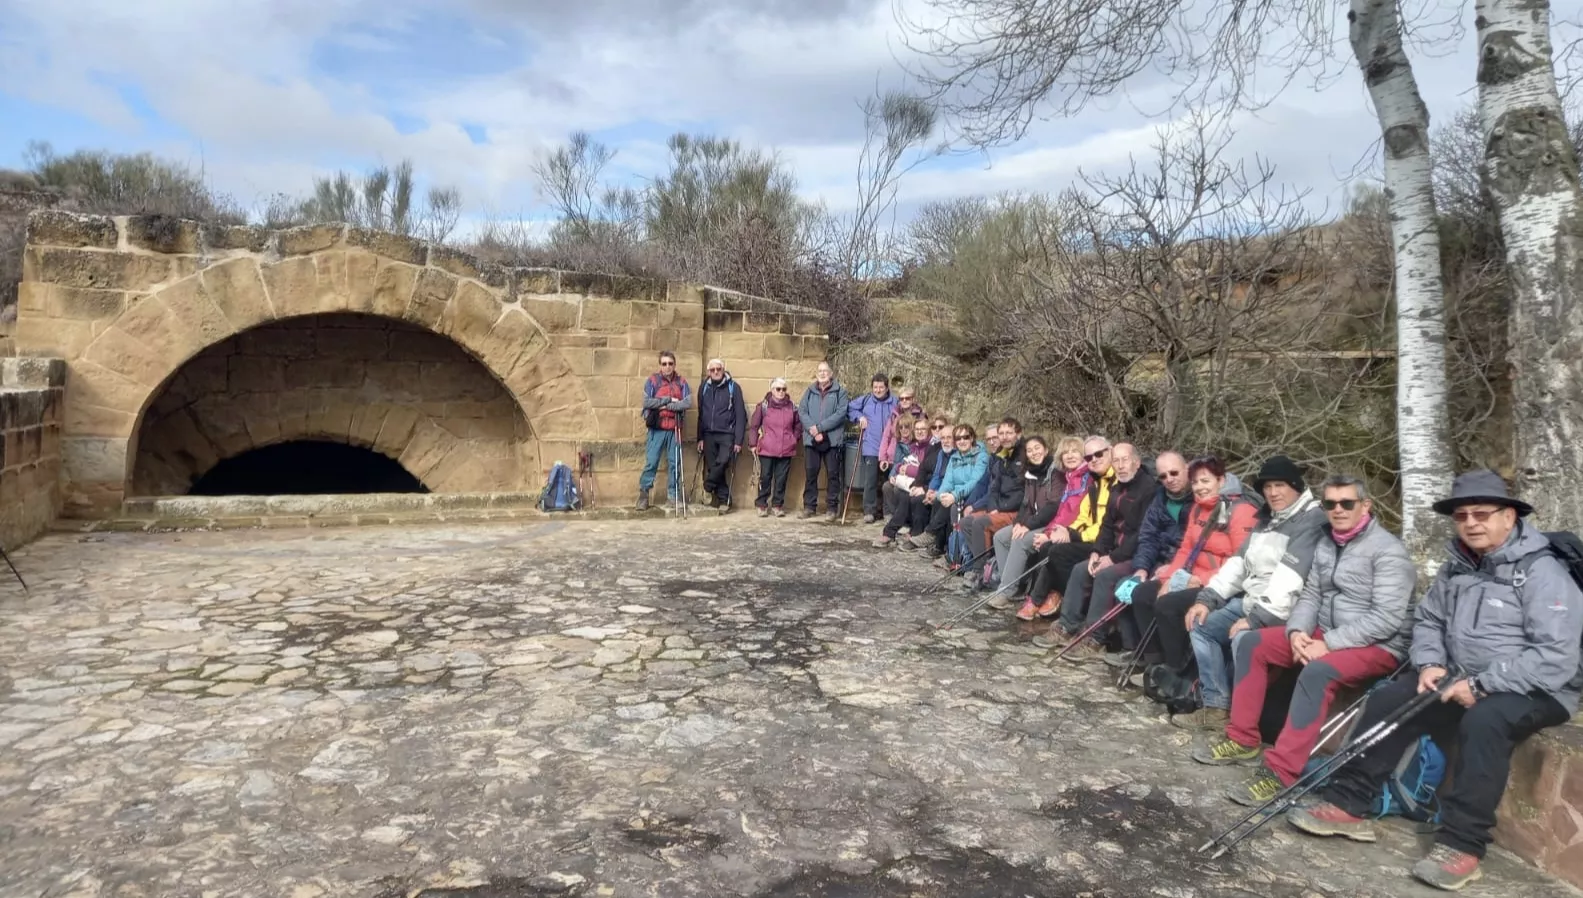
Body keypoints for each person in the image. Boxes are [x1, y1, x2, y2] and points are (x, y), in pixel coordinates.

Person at [1287, 469, 1583, 892]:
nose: (1471, 523)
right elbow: (1428, 620)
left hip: (1539, 688)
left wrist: (1482, 686)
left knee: (1485, 722)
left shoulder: (1542, 571)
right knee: (1392, 697)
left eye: (1482, 513)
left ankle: (1462, 844)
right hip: (1458, 676)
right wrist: (1428, 664)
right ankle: (1349, 803)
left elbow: (1555, 656)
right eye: (1462, 516)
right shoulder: (1458, 564)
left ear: (1509, 516)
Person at [1200, 474, 1414, 811]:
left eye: (1347, 503)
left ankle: (1281, 771)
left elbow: (1386, 619)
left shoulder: (1388, 552)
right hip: (1324, 633)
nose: (1338, 510)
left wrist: (1328, 642)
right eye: (1330, 503)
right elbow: (1311, 594)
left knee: (1317, 672)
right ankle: (1242, 738)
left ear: (1366, 506)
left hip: (1378, 645)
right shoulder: (1329, 542)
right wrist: (1297, 631)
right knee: (1254, 643)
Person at [1168, 456, 1326, 729]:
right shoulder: (1269, 517)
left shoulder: (1310, 521)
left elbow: (1290, 581)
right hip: (1253, 601)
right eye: (1267, 487)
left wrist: (1256, 620)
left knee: (1244, 639)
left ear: (1296, 486)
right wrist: (1208, 599)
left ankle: (1243, 721)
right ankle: (1217, 706)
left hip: (1286, 611)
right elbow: (1238, 564)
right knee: (1200, 624)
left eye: (1280, 485)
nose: (1273, 492)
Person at [1124, 457, 1258, 675]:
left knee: (1168, 605)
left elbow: (1241, 561)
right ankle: (1153, 660)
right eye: (1195, 482)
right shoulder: (1198, 509)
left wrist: (1200, 580)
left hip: (1221, 583)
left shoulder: (1241, 511)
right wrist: (1169, 578)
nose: (1200, 487)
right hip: (1190, 574)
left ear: (1221, 480)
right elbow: (1186, 549)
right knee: (1142, 594)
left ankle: (1176, 668)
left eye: (1206, 481)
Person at [1035, 442, 1156, 653]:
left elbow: (1141, 534)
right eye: (1117, 461)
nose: (1120, 465)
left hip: (1135, 554)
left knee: (1105, 575)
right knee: (1081, 569)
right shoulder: (1117, 488)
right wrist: (1096, 552)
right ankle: (1067, 624)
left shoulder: (1148, 490)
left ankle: (1095, 635)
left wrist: (1113, 558)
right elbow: (1107, 526)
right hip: (1113, 550)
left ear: (1136, 462)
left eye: (1125, 460)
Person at [1096, 451, 1194, 666]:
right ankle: (1137, 649)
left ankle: (1157, 658)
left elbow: (1193, 546)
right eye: (1163, 476)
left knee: (1146, 594)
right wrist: (1141, 568)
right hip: (1158, 561)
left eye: (1174, 472)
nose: (1170, 479)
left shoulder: (1197, 501)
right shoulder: (1160, 498)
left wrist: (1170, 569)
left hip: (1185, 567)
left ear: (1187, 469)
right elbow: (1148, 537)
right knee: (1127, 585)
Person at [1017, 436, 1114, 622]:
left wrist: (1070, 534)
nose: (1069, 456)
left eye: (1075, 452)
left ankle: (1052, 594)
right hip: (1081, 533)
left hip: (1099, 540)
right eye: (1065, 453)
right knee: (1048, 547)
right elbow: (1075, 514)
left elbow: (1097, 522)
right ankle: (1041, 597)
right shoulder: (1076, 480)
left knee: (1056, 551)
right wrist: (1056, 532)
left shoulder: (1090, 480)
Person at [986, 435, 1063, 601]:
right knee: (1001, 537)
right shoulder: (1029, 474)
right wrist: (1018, 524)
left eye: (1037, 448)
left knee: (1021, 540)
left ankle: (1006, 591)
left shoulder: (1055, 472)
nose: (1034, 453)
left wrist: (1027, 526)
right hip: (1033, 521)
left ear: (1046, 450)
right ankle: (1015, 583)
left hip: (1051, 524)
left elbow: (1053, 507)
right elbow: (1026, 504)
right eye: (1029, 450)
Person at [957, 418, 1028, 590]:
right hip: (999, 507)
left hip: (1015, 511)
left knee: (981, 522)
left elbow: (1023, 492)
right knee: (966, 522)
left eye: (1008, 433)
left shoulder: (1025, 456)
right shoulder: (1000, 456)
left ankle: (979, 571)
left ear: (1018, 434)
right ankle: (988, 563)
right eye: (1001, 433)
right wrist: (992, 507)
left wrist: (1000, 508)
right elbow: (994, 488)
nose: (1004, 437)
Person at [911, 424, 989, 557]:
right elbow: (948, 481)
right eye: (958, 438)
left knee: (950, 505)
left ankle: (931, 535)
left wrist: (954, 495)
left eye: (966, 437)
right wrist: (939, 495)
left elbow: (974, 482)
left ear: (972, 438)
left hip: (973, 496)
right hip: (956, 494)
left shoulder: (981, 456)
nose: (962, 441)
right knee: (939, 501)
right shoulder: (954, 458)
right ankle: (938, 546)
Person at [636, 349, 693, 511]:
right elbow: (647, 402)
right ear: (660, 365)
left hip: (675, 428)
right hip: (657, 429)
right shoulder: (653, 381)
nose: (667, 367)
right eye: (664, 364)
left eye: (670, 364)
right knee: (651, 462)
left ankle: (673, 496)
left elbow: (687, 403)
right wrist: (669, 400)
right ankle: (644, 494)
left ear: (674, 365)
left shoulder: (681, 382)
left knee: (675, 463)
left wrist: (666, 405)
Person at [873, 416, 940, 548]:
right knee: (902, 495)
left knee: (913, 496)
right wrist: (899, 469)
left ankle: (909, 533)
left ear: (929, 431)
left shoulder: (932, 448)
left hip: (929, 484)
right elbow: (902, 463)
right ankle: (892, 532)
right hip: (916, 483)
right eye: (917, 429)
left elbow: (925, 470)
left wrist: (908, 469)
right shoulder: (915, 447)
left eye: (923, 429)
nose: (920, 432)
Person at [797, 362, 850, 520]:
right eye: (819, 371)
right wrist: (813, 429)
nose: (822, 373)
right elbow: (802, 411)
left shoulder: (840, 391)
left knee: (833, 474)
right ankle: (809, 507)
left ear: (831, 373)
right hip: (812, 439)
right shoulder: (809, 391)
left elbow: (841, 414)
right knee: (811, 473)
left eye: (825, 371)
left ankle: (832, 509)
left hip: (832, 440)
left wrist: (820, 428)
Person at [696, 358, 747, 513]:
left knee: (723, 462)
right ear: (708, 372)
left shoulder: (734, 387)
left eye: (719, 369)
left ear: (723, 370)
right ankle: (725, 500)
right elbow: (701, 414)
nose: (716, 372)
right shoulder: (704, 387)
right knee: (714, 466)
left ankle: (707, 486)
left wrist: (738, 440)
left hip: (727, 434)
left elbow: (741, 415)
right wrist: (700, 437)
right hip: (708, 434)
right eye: (713, 370)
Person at [848, 372, 899, 524]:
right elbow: (849, 408)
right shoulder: (865, 400)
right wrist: (859, 418)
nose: (877, 390)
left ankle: (887, 511)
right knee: (870, 481)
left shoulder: (895, 402)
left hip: (890, 449)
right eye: (875, 387)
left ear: (887, 387)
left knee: (889, 481)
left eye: (881, 387)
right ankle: (869, 510)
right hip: (871, 446)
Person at [746, 377, 801, 517]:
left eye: (784, 389)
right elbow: (754, 426)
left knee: (781, 479)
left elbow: (798, 426)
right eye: (778, 389)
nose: (781, 392)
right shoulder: (763, 406)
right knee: (765, 477)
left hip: (786, 449)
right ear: (772, 390)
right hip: (767, 448)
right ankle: (762, 504)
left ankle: (777, 505)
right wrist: (753, 443)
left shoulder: (792, 407)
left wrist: (794, 439)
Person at [876, 386, 927, 481]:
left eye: (907, 398)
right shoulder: (894, 414)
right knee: (890, 484)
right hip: (892, 457)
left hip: (910, 457)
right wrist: (883, 457)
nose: (904, 401)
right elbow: (887, 436)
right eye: (901, 398)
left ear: (913, 399)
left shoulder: (919, 415)